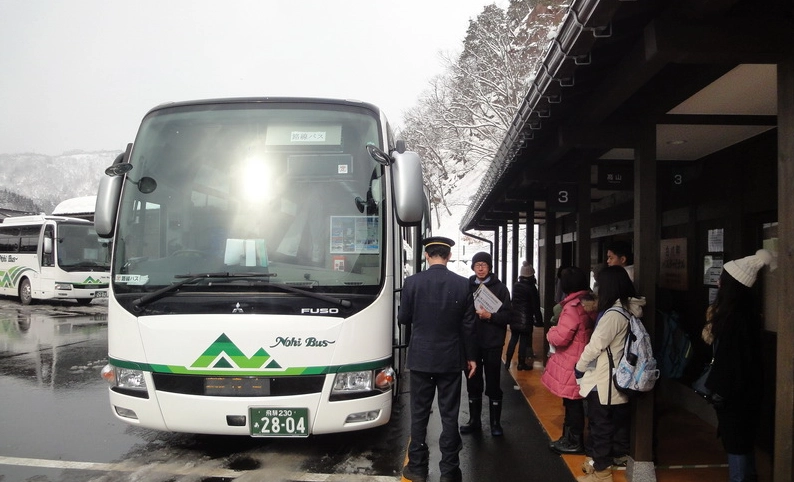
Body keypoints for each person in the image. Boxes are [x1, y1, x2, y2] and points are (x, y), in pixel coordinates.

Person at [398, 236, 477, 482]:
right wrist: (472, 358)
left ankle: (418, 468)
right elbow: (469, 326)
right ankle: (449, 471)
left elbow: (403, 318)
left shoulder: (412, 283)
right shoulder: (463, 284)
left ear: (426, 255)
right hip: (451, 359)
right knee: (449, 414)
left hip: (421, 357)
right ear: (449, 256)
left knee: (419, 414)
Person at [701, 249, 771, 482]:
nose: (719, 281)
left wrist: (720, 391)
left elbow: (731, 360)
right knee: (743, 440)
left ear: (733, 285)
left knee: (737, 442)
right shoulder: (745, 313)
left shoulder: (734, 318)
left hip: (735, 392)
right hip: (745, 390)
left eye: (723, 278)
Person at [575, 265, 645, 482]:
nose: (596, 289)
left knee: (601, 426)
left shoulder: (613, 315)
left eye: (599, 284)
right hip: (618, 377)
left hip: (605, 379)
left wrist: (579, 367)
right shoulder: (627, 309)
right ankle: (599, 465)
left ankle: (602, 474)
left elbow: (596, 345)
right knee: (608, 424)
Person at [541, 266, 596, 455]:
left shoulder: (572, 307)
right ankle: (571, 438)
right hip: (584, 358)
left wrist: (550, 332)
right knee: (576, 401)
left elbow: (561, 337)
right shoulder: (589, 302)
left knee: (573, 402)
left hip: (572, 361)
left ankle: (574, 441)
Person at [460, 251, 513, 437]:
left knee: (493, 382)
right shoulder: (466, 287)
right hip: (471, 343)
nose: (480, 268)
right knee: (472, 381)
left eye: (484, 264)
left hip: (492, 343)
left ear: (490, 267)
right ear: (473, 267)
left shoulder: (500, 289)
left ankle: (495, 424)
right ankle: (474, 421)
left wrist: (490, 316)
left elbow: (508, 316)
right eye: (477, 265)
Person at [505, 260, 543, 371]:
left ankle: (507, 362)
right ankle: (521, 364)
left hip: (515, 318)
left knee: (513, 339)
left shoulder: (516, 285)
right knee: (523, 342)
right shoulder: (531, 288)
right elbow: (536, 306)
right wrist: (539, 321)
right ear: (531, 275)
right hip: (526, 319)